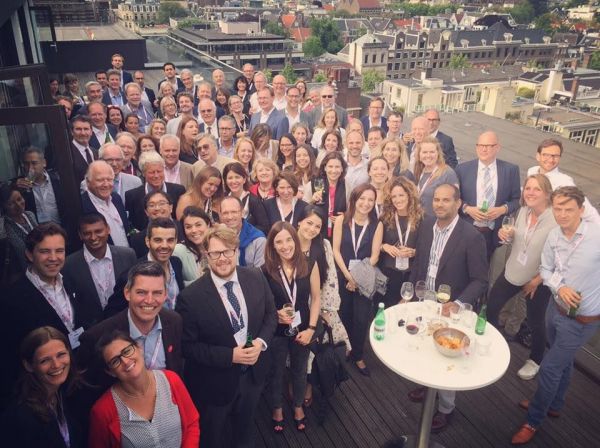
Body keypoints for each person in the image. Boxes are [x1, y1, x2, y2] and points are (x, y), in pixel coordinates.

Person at [511, 186, 600, 445]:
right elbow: (546, 269)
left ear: (581, 210)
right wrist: (560, 287)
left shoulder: (596, 236)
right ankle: (555, 403)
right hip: (555, 308)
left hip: (581, 320)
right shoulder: (554, 235)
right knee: (564, 361)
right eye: (558, 208)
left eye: (568, 209)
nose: (562, 214)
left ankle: (533, 419)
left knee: (550, 368)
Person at [176, 225, 277, 447]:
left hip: (252, 378)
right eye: (215, 253)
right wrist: (230, 356)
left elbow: (271, 315)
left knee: (245, 430)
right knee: (213, 437)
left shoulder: (255, 277)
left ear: (236, 251)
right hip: (216, 386)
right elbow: (188, 347)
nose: (222, 258)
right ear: (206, 255)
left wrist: (260, 343)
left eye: (227, 251)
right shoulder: (190, 298)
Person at [409, 184, 488, 432]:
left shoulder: (471, 236)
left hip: (450, 309)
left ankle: (446, 408)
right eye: (436, 199)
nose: (439, 204)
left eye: (446, 200)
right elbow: (419, 263)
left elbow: (480, 280)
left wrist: (459, 303)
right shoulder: (426, 225)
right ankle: (427, 385)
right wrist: (411, 291)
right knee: (424, 347)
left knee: (446, 358)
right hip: (425, 302)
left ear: (458, 203)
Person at [0, 223, 97, 406]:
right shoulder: (11, 299)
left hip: (79, 380)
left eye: (59, 251)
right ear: (30, 255)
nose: (53, 258)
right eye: (45, 251)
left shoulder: (70, 281)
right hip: (43, 394)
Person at [77, 261, 184, 401]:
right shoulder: (97, 337)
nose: (149, 300)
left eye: (157, 293)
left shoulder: (174, 322)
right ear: (127, 293)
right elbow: (88, 391)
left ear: (165, 295)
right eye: (141, 292)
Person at [487, 174, 557, 380]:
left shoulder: (555, 220)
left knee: (536, 321)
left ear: (547, 194)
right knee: (492, 307)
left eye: (537, 189)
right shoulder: (523, 211)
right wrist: (506, 235)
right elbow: (519, 239)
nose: (530, 193)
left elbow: (559, 258)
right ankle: (492, 345)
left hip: (537, 279)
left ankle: (535, 359)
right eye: (528, 188)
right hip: (514, 270)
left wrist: (537, 280)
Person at [89, 330, 199, 448]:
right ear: (110, 372)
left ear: (139, 347)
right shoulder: (102, 411)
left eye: (127, 351)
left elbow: (191, 422)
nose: (125, 361)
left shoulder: (171, 380)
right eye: (115, 361)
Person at [263, 222, 321, 432]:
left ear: (295, 240)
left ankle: (297, 406)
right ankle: (277, 408)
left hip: (303, 328)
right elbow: (264, 304)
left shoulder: (309, 264)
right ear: (272, 245)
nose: (285, 246)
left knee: (299, 370)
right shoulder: (265, 270)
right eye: (279, 241)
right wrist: (275, 315)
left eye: (289, 239)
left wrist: (311, 329)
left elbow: (316, 298)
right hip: (277, 331)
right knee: (276, 371)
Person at [296, 205, 351, 404]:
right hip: (295, 304)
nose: (312, 229)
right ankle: (295, 382)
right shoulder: (288, 242)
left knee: (317, 350)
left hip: (320, 303)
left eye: (317, 226)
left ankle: (309, 386)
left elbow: (331, 279)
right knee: (295, 350)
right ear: (299, 221)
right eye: (309, 223)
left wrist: (326, 310)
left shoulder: (324, 245)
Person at [0, 326, 85, 448]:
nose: (56, 365)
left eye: (61, 355)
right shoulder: (20, 417)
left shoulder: (67, 393)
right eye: (45, 360)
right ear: (29, 365)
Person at [332, 183, 378, 376]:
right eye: (362, 198)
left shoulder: (377, 224)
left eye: (370, 200)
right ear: (354, 199)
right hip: (343, 275)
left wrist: (356, 278)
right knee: (343, 315)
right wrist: (348, 277)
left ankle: (358, 355)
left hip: (364, 279)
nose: (366, 203)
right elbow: (335, 250)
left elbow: (374, 256)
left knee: (361, 318)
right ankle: (343, 352)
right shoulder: (341, 220)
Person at [455, 130, 521, 258]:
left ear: (497, 148)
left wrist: (502, 209)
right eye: (480, 145)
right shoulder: (462, 169)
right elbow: (454, 198)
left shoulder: (510, 170)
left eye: (488, 146)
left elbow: (517, 200)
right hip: (466, 230)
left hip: (493, 233)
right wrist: (467, 209)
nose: (483, 149)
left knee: (485, 267)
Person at [105, 218, 185, 319]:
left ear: (176, 241)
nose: (164, 246)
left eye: (170, 240)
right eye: (158, 240)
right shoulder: (130, 276)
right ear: (147, 241)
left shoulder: (176, 263)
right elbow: (111, 314)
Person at [63, 212, 137, 315]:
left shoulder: (128, 255)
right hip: (91, 322)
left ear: (108, 229)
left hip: (124, 317)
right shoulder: (69, 264)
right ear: (80, 235)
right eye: (87, 233)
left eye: (98, 231)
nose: (93, 237)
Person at [372, 177, 423, 308]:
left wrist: (415, 252)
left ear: (409, 195)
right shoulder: (384, 218)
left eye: (401, 195)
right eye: (394, 196)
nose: (397, 200)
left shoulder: (422, 219)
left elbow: (427, 248)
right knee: (386, 310)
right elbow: (374, 244)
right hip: (388, 274)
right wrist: (384, 247)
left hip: (411, 276)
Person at [527, 138, 600, 225]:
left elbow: (587, 211)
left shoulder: (564, 182)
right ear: (538, 156)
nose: (551, 160)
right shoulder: (532, 171)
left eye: (555, 156)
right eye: (546, 155)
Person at [125, 151, 185, 231]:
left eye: (159, 171)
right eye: (152, 172)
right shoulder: (132, 196)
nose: (156, 176)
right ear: (143, 173)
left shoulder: (178, 191)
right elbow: (132, 225)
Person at [81, 161, 131, 248]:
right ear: (88, 182)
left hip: (126, 254)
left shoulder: (116, 198)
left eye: (109, 179)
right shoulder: (81, 205)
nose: (106, 184)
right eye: (100, 180)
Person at [14, 146, 64, 224]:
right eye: (26, 164)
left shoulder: (58, 180)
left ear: (44, 163)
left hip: (60, 227)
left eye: (34, 163)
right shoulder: (22, 185)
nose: (30, 168)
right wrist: (15, 188)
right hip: (38, 229)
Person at [413, 136, 459, 216]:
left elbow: (454, 203)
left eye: (432, 152)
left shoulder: (447, 173)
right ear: (419, 155)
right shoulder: (419, 170)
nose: (428, 155)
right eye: (424, 152)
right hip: (419, 218)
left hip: (437, 220)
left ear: (438, 154)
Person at [128, 191, 182, 258]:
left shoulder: (184, 228)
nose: (157, 208)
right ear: (146, 212)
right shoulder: (137, 240)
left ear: (171, 207)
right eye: (152, 205)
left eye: (162, 203)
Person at [219, 196, 266, 268]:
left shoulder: (259, 240)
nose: (230, 217)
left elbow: (260, 272)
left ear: (242, 213)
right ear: (220, 215)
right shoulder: (216, 238)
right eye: (225, 213)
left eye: (234, 212)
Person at [223, 162, 269, 234]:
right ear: (225, 181)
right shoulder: (222, 199)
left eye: (237, 177)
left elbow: (264, 227)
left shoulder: (253, 201)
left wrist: (246, 232)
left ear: (244, 179)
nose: (234, 181)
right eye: (230, 178)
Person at [1, 184, 38, 272]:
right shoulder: (4, 227)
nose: (18, 205)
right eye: (11, 203)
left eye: (19, 199)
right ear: (4, 206)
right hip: (24, 272)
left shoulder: (30, 215)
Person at [312, 152, 347, 238]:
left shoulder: (347, 186)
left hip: (339, 231)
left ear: (342, 169)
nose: (334, 171)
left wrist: (345, 216)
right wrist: (312, 200)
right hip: (317, 231)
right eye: (330, 166)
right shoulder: (315, 183)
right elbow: (304, 208)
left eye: (337, 167)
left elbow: (353, 208)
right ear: (325, 168)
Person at [173, 207, 211, 286]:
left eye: (198, 225)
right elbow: (175, 284)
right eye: (188, 227)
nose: (194, 230)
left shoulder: (220, 245)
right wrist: (201, 281)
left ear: (208, 224)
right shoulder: (178, 251)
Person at [96, 143, 142, 207]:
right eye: (110, 160)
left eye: (118, 160)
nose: (114, 164)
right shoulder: (90, 184)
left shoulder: (135, 182)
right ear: (100, 160)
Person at [70, 115, 98, 185]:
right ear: (72, 132)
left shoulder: (95, 152)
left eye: (86, 129)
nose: (83, 133)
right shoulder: (66, 153)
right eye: (78, 129)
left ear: (91, 131)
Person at [344, 130, 370, 199]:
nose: (354, 146)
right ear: (346, 144)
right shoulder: (339, 164)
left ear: (363, 144)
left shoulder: (369, 165)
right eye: (351, 143)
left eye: (358, 143)